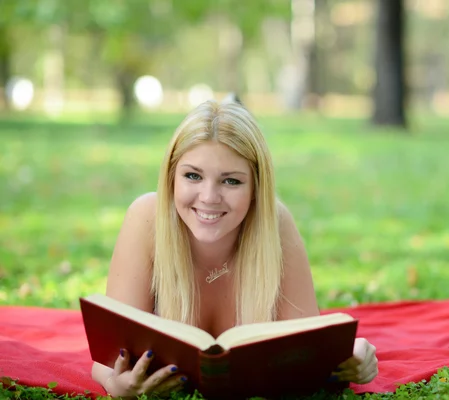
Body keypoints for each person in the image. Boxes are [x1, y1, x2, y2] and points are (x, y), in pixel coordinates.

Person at [91, 98, 378, 398]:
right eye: (193, 176)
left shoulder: (275, 225)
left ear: (256, 188)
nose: (209, 197)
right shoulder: (147, 217)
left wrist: (352, 357)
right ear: (171, 178)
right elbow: (106, 358)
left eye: (230, 181)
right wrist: (116, 385)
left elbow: (310, 347)